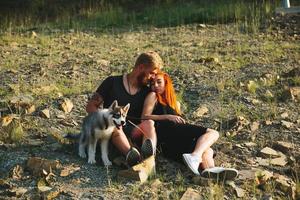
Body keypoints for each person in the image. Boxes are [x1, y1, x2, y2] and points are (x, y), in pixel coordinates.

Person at [142, 72, 238, 179]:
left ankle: (210, 170)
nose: (155, 85)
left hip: (176, 139)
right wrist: (167, 116)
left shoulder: (175, 104)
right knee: (213, 133)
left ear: (166, 83)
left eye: (159, 82)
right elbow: (144, 116)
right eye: (152, 83)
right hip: (166, 132)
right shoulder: (153, 96)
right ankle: (194, 156)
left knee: (207, 149)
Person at [86, 51, 163, 167]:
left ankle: (149, 159)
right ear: (141, 67)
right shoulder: (112, 82)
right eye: (151, 73)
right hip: (111, 131)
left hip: (133, 132)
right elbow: (91, 106)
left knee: (149, 123)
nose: (153, 78)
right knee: (115, 126)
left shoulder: (147, 92)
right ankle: (132, 157)